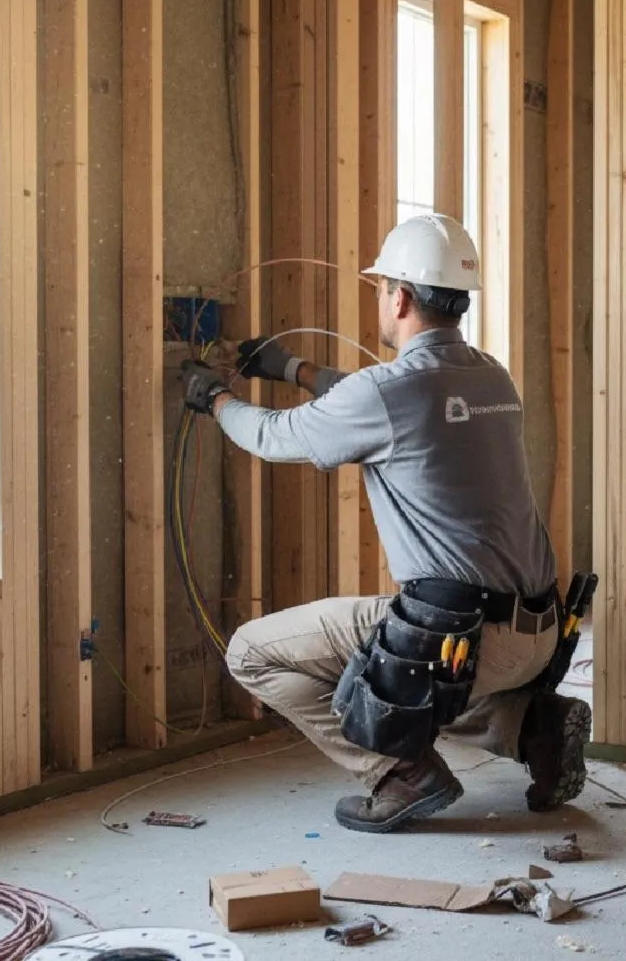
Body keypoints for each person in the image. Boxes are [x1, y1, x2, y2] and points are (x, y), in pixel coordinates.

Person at [180, 213, 591, 834]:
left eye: (381, 288)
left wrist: (214, 398)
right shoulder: (489, 375)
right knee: (414, 666)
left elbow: (269, 436)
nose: (380, 298)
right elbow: (383, 399)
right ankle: (532, 729)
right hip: (538, 636)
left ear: (398, 296)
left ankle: (399, 774)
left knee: (254, 653)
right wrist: (291, 369)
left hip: (463, 639)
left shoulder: (390, 392)